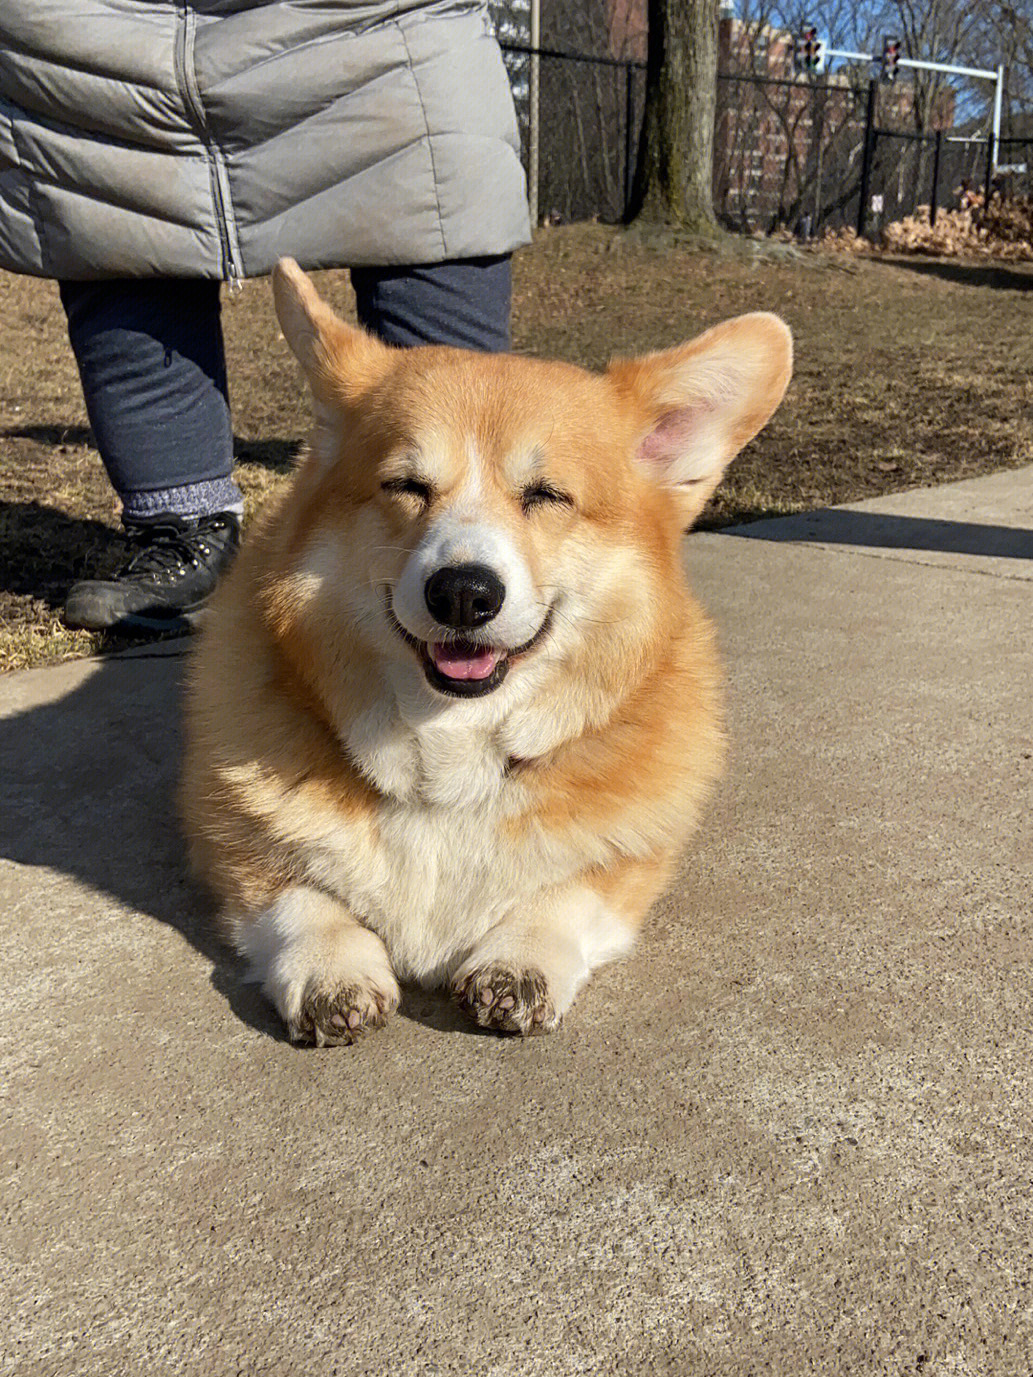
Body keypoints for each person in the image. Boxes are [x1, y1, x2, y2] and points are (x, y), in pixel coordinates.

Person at [0, 1, 530, 631]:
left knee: (434, 189)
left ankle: (480, 523)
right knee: (115, 227)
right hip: (100, 31)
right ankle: (183, 529)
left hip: (372, 23)